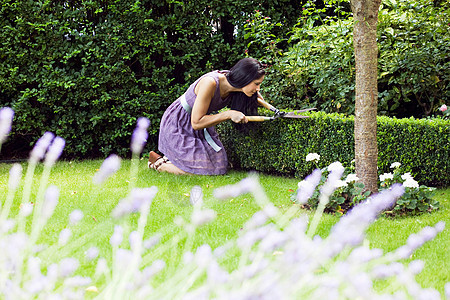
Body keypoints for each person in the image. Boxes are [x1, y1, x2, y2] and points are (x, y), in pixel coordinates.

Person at [148, 57, 278, 175]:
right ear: (245, 78)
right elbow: (196, 122)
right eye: (256, 83)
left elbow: (256, 99)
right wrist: (228, 114)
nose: (258, 88)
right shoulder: (210, 83)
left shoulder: (237, 86)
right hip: (179, 123)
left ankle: (169, 159)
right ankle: (159, 164)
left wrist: (272, 108)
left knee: (219, 167)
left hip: (200, 125)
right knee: (203, 170)